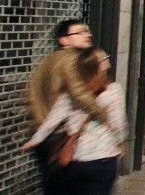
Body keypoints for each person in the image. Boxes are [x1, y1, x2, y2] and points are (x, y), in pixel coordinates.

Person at [23, 47, 126, 195]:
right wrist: (120, 142)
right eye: (105, 58)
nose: (107, 60)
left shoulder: (71, 95)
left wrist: (35, 140)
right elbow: (118, 124)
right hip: (103, 159)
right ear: (101, 66)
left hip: (76, 159)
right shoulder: (114, 91)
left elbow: (52, 120)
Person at [25, 19, 108, 193]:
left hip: (41, 131)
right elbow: (79, 93)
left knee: (53, 187)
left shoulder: (48, 60)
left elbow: (30, 93)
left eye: (87, 31)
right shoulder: (71, 60)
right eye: (80, 32)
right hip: (60, 134)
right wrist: (103, 115)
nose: (88, 35)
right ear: (64, 40)